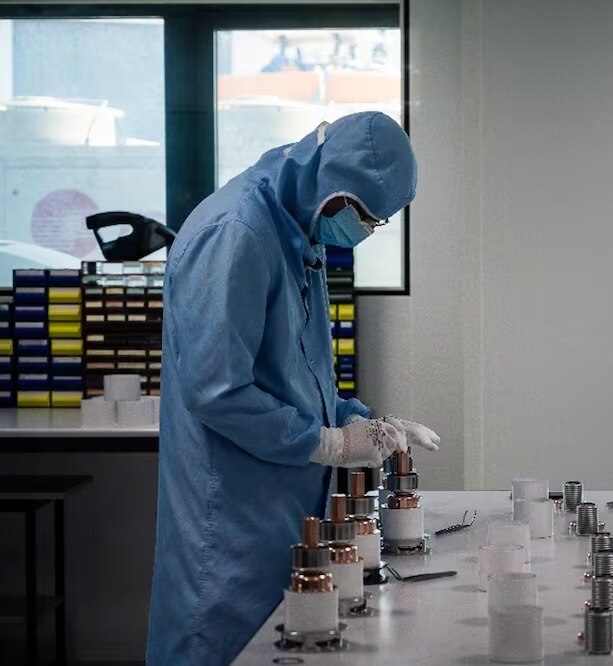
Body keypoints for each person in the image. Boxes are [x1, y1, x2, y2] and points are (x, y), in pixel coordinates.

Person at [146, 112, 437, 665]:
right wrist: (324, 444)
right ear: (336, 191)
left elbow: (297, 370)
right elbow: (216, 391)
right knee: (223, 645)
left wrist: (355, 419)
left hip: (280, 506)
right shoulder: (236, 233)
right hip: (232, 515)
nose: (367, 232)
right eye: (368, 219)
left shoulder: (298, 228)